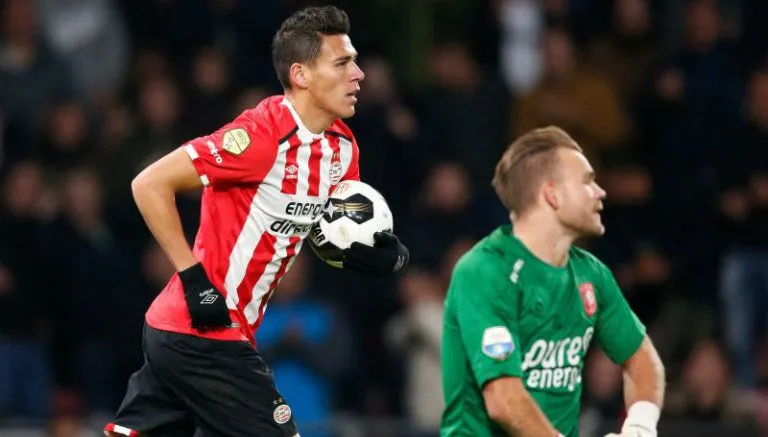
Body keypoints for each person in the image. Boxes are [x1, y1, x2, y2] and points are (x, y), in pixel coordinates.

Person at [103, 6, 409, 437]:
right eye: (342, 63)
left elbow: (334, 229)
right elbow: (149, 184)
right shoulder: (260, 137)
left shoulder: (343, 148)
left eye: (355, 61)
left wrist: (376, 252)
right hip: (205, 331)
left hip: (196, 333)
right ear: (301, 75)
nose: (358, 74)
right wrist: (193, 278)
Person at [439, 126, 665, 437]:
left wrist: (639, 427)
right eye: (587, 181)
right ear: (552, 194)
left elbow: (641, 359)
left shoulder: (592, 274)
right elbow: (504, 400)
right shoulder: (484, 271)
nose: (600, 192)